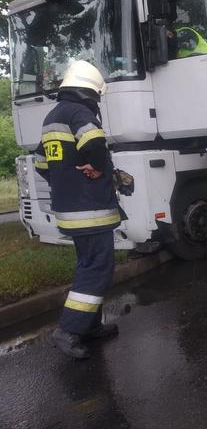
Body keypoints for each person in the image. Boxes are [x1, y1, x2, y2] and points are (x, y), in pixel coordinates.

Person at [34, 60, 121, 359]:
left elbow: (40, 163)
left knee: (88, 265)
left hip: (68, 207)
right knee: (98, 267)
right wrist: (96, 168)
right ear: (89, 91)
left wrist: (65, 177)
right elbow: (95, 143)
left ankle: (90, 326)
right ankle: (69, 331)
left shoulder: (51, 117)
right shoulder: (80, 113)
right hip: (91, 209)